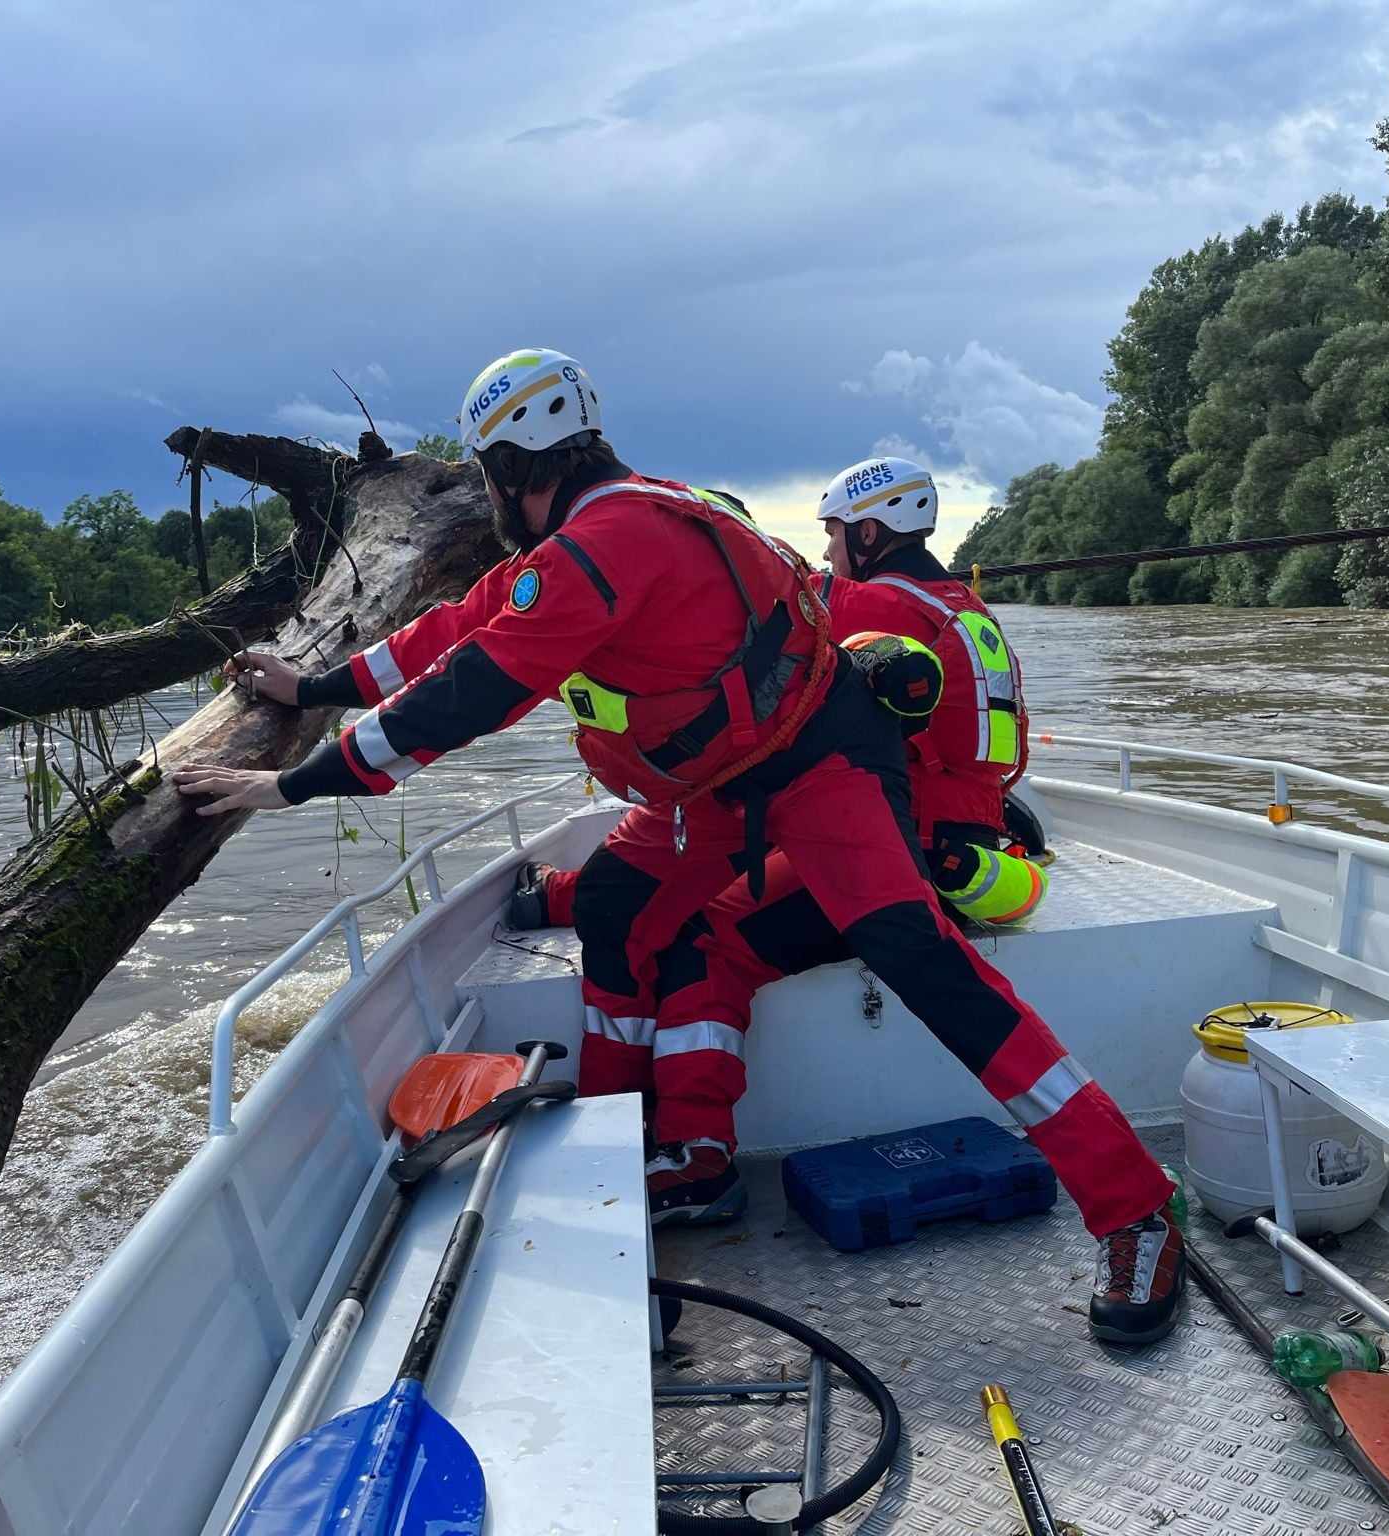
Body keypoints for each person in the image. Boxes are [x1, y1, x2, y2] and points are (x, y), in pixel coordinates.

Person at [173, 355, 1183, 1346]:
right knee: (612, 902)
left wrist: (289, 785)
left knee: (924, 964)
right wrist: (310, 690)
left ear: (514, 466)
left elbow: (466, 696)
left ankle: (1134, 1210)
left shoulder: (603, 546)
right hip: (719, 781)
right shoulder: (611, 528)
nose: (487, 493)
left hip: (823, 764)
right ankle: (631, 1152)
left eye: (486, 473)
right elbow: (452, 631)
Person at [522, 456, 1051, 1211]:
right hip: (961, 846)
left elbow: (764, 635)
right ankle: (567, 903)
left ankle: (697, 1157)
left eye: (835, 535)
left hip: (894, 858)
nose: (828, 551)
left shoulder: (865, 603)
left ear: (869, 534)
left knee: (705, 940)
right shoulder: (966, 610)